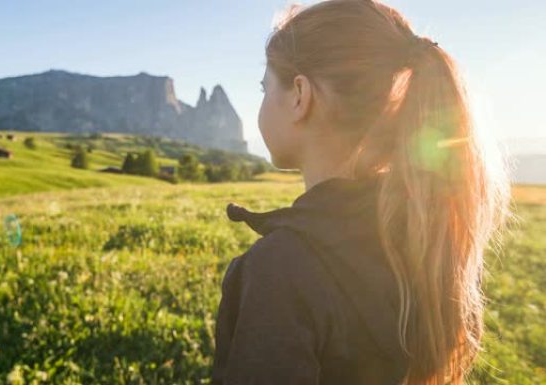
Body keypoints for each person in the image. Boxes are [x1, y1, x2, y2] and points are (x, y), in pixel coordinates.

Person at [211, 1, 510, 384]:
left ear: (300, 95)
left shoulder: (279, 269)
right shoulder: (417, 236)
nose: (262, 100)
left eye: (264, 86)